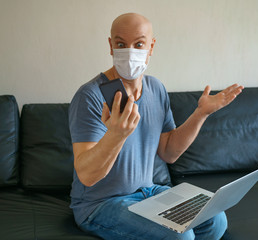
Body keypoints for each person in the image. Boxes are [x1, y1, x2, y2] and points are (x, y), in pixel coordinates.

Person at [69, 13, 244, 240]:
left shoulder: (155, 88)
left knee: (215, 220)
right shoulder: (91, 95)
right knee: (180, 237)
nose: (130, 52)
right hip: (99, 204)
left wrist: (201, 114)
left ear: (151, 47)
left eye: (139, 44)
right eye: (121, 44)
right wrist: (116, 135)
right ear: (111, 46)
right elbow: (87, 176)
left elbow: (169, 152)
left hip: (147, 192)